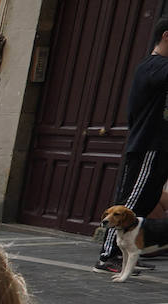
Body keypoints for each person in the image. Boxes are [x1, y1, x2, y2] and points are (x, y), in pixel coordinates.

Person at [96, 16, 168, 274]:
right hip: (148, 145)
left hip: (161, 147)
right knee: (130, 202)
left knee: (146, 201)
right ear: (166, 36)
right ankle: (107, 257)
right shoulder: (153, 66)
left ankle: (128, 253)